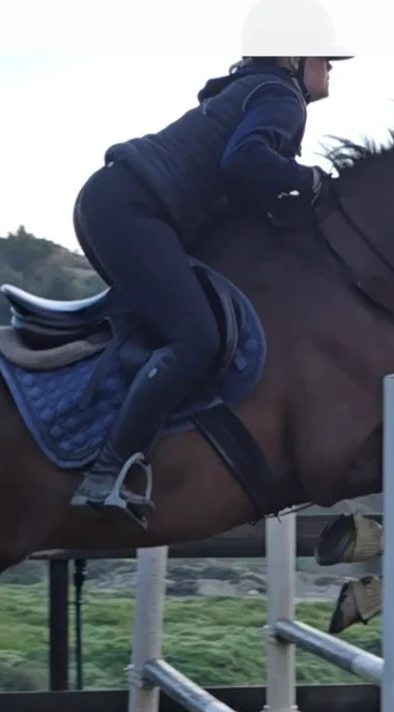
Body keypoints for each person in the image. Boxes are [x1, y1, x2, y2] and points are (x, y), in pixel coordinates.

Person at [68, 0, 352, 525]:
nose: (331, 67)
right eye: (325, 57)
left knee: (177, 324)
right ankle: (107, 471)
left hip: (114, 203)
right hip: (131, 210)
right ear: (292, 57)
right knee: (196, 336)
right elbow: (245, 161)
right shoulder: (281, 97)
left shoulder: (250, 93)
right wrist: (310, 181)